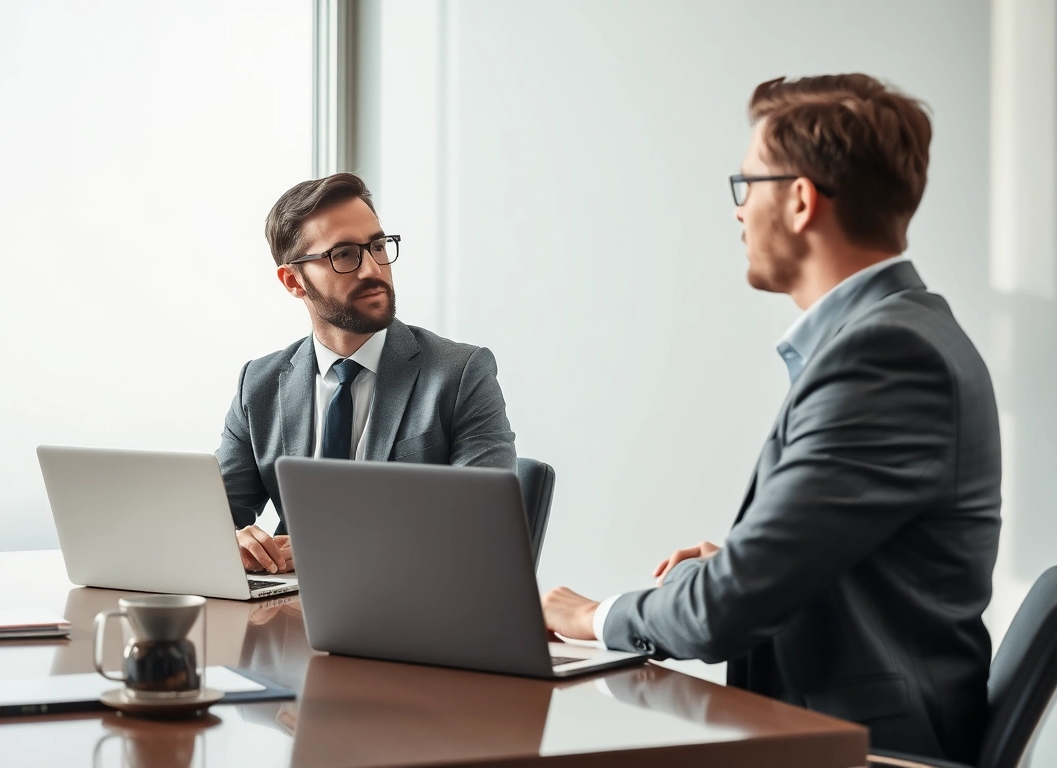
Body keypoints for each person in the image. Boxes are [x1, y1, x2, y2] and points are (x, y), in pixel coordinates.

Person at [541, 74, 1001, 764]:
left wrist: (591, 615)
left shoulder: (885, 354)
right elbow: (841, 562)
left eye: (746, 185)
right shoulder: (896, 334)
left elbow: (722, 614)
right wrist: (739, 566)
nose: (738, 212)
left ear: (799, 200)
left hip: (867, 749)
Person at [217, 173, 517, 574]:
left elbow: (482, 524)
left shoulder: (460, 374)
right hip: (286, 600)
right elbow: (210, 520)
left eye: (377, 246)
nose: (373, 269)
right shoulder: (259, 385)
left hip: (409, 602)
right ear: (293, 281)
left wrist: (329, 547)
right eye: (344, 254)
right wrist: (233, 542)